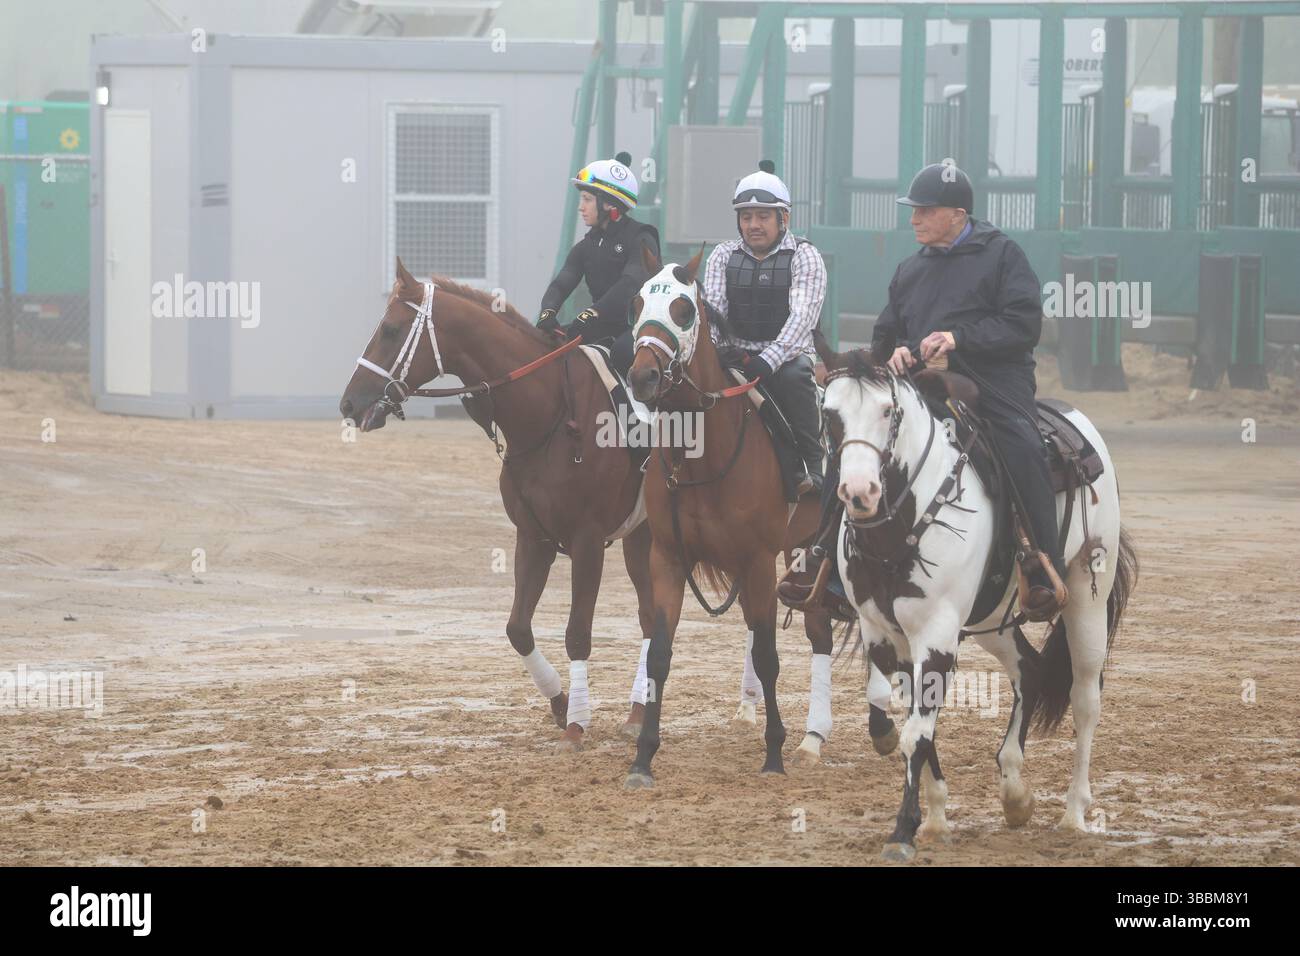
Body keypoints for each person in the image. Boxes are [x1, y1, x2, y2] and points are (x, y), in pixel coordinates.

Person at [778, 162, 1068, 622]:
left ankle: (1043, 565)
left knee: (1023, 444)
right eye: (914, 211)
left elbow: (1024, 324)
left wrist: (958, 340)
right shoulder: (911, 269)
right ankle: (826, 560)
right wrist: (892, 353)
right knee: (855, 445)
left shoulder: (1002, 256)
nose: (914, 219)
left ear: (957, 213)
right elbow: (885, 333)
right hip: (919, 386)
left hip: (994, 383)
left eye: (925, 211)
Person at [701, 160, 827, 497]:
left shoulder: (805, 256)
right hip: (736, 354)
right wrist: (717, 349)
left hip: (786, 358)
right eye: (746, 217)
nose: (753, 225)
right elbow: (712, 311)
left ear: (783, 218)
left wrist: (768, 360)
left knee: (793, 377)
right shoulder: (721, 255)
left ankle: (812, 465)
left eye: (763, 217)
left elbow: (802, 318)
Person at [537, 152, 660, 376]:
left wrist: (592, 313)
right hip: (600, 326)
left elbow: (629, 284)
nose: (580, 207)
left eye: (587, 199)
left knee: (622, 354)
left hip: (641, 328)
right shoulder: (587, 245)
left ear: (608, 203)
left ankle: (641, 410)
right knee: (546, 349)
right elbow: (561, 283)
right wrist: (547, 312)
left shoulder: (642, 238)